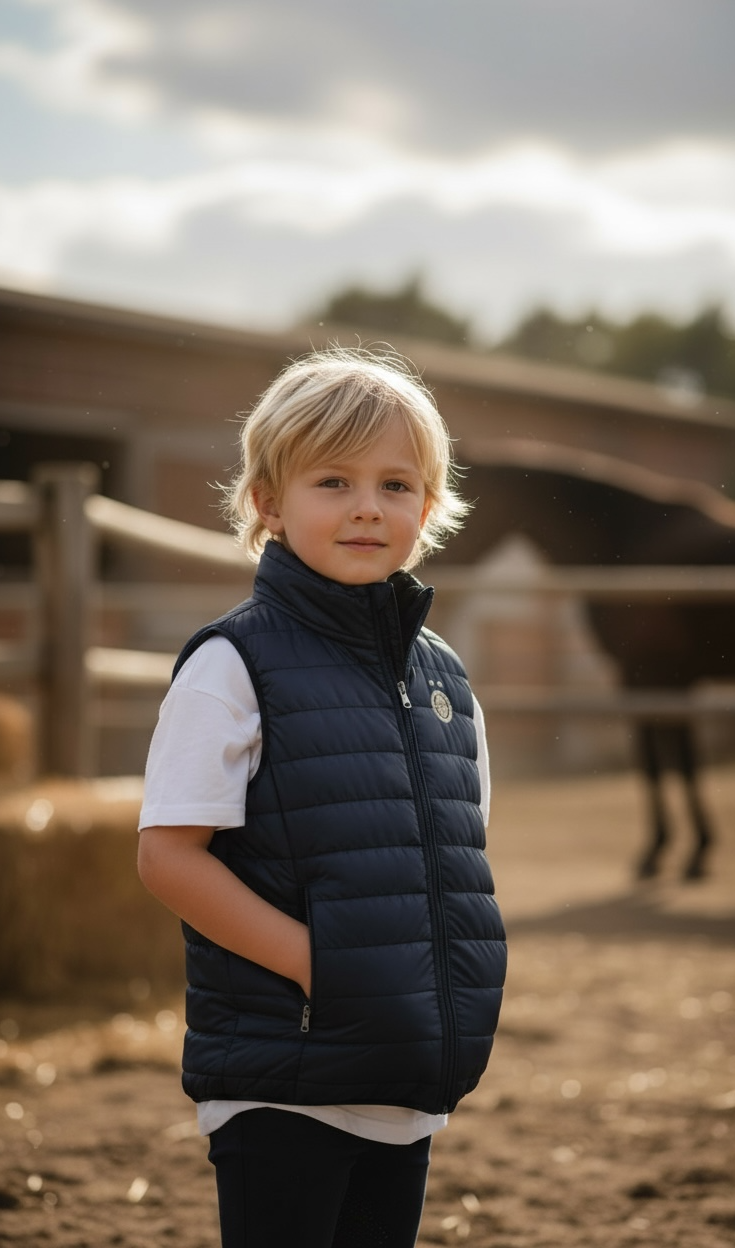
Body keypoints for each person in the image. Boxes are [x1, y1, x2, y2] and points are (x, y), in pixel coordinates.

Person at [137, 346, 507, 1248]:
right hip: (284, 1078)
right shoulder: (232, 664)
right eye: (333, 482)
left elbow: (457, 851)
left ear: (430, 503)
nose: (368, 507)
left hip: (408, 1075)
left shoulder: (446, 679)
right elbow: (168, 856)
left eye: (396, 484)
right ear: (267, 502)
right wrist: (321, 965)